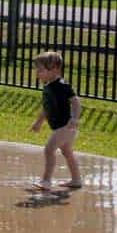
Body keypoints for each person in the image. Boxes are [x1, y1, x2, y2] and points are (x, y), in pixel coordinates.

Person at [30, 51, 83, 190]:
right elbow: (46, 108)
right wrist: (39, 122)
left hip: (66, 126)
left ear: (54, 69)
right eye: (37, 70)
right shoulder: (48, 87)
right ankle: (76, 179)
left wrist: (75, 118)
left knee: (49, 150)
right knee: (67, 152)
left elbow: (76, 102)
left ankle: (46, 181)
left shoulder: (62, 85)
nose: (37, 73)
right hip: (62, 127)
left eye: (40, 70)